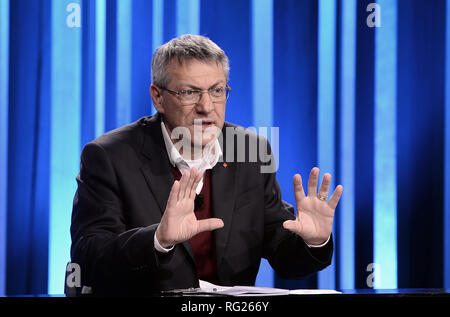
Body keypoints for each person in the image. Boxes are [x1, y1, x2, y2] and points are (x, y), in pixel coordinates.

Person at [70, 34, 343, 296]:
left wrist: (314, 241)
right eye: (189, 92)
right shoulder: (109, 156)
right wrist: (158, 240)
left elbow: (286, 258)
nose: (206, 106)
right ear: (157, 97)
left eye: (216, 90)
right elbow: (89, 259)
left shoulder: (250, 151)